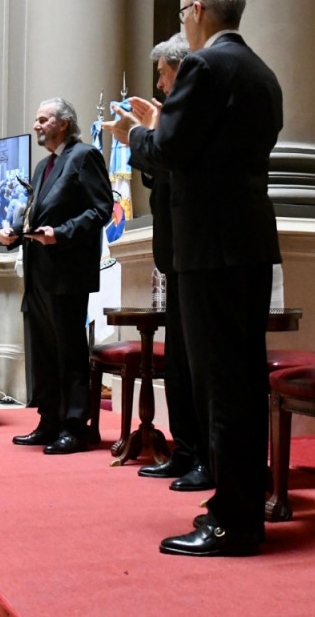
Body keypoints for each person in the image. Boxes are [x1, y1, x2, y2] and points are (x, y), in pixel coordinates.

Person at [107, 0, 283, 557]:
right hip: (250, 243)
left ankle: (232, 520)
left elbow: (172, 151)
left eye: (184, 11)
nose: (182, 20)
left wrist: (136, 134)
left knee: (222, 385)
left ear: (201, 10)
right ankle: (243, 503)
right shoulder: (263, 72)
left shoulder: (205, 67)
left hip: (209, 249)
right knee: (243, 379)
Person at [0, 98, 111, 454]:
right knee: (43, 353)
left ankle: (75, 427)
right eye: (36, 120)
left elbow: (101, 210)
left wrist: (62, 232)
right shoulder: (42, 167)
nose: (36, 125)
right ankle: (49, 421)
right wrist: (15, 233)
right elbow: (37, 216)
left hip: (66, 274)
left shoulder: (84, 155)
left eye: (43, 119)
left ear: (63, 123)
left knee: (68, 352)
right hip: (37, 273)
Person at [128, 32, 213, 492]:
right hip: (176, 250)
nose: (159, 85)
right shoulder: (174, 111)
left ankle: (203, 454)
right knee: (179, 362)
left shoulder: (197, 106)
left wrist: (144, 135)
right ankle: (185, 450)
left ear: (179, 68)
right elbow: (158, 173)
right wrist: (150, 137)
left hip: (199, 247)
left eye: (162, 73)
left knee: (196, 363)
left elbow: (181, 166)